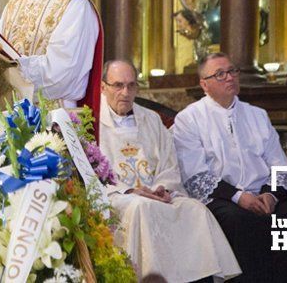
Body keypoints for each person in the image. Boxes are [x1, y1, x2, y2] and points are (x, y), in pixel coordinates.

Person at [173, 52, 287, 281]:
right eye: (220, 74)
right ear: (203, 84)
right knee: (246, 224)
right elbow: (195, 175)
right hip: (222, 199)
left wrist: (271, 194)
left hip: (265, 196)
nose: (229, 77)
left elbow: (280, 164)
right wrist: (240, 197)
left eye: (232, 71)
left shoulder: (257, 115)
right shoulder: (189, 119)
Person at [98, 60, 240, 281]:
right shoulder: (91, 122)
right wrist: (129, 191)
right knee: (140, 207)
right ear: (103, 87)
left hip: (157, 193)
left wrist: (160, 188)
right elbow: (90, 171)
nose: (125, 92)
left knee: (195, 209)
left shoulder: (151, 119)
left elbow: (169, 163)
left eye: (131, 85)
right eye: (118, 85)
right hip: (118, 196)